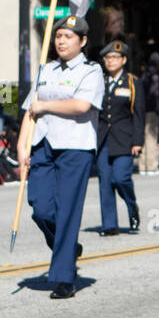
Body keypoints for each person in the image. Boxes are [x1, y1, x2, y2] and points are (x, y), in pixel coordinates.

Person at [18, 15, 104, 298]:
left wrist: (45, 106)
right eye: (58, 36)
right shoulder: (47, 69)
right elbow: (31, 108)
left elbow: (81, 105)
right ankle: (67, 247)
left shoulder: (91, 71)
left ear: (83, 41)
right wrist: (22, 145)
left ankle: (63, 278)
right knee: (40, 206)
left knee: (67, 210)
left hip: (75, 146)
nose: (61, 41)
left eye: (68, 37)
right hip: (43, 144)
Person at [94, 39, 143, 236]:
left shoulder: (132, 82)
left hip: (125, 138)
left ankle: (132, 206)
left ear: (123, 60)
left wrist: (138, 141)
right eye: (107, 58)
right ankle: (109, 225)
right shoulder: (99, 81)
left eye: (114, 57)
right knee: (105, 182)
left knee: (121, 178)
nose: (110, 61)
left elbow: (138, 114)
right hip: (103, 138)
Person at [140, 51, 159, 174]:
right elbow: (154, 94)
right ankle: (152, 166)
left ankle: (143, 166)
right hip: (153, 109)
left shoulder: (144, 75)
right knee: (152, 138)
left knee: (144, 139)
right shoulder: (155, 77)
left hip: (143, 110)